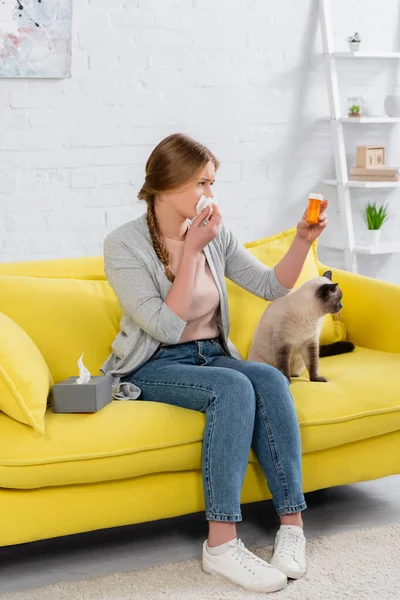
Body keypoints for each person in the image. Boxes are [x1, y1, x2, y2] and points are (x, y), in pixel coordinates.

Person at [100, 133, 328, 594]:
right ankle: (221, 545)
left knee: (266, 377)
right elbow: (165, 328)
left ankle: (292, 528)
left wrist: (303, 242)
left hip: (212, 355)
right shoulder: (124, 245)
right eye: (202, 183)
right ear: (168, 184)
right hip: (153, 364)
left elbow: (270, 286)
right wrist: (191, 251)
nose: (210, 195)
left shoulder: (215, 232)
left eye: (212, 183)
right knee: (233, 388)